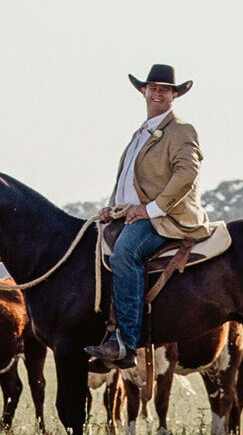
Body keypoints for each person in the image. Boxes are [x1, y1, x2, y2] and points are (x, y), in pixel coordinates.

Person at [87, 64, 211, 365]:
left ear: (174, 95)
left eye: (164, 89)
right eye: (153, 87)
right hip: (130, 213)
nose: (157, 93)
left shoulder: (181, 130)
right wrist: (113, 206)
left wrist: (150, 209)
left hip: (165, 217)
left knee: (124, 254)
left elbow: (187, 174)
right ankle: (102, 331)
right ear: (143, 91)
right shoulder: (140, 132)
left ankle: (126, 343)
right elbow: (130, 180)